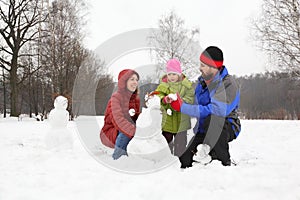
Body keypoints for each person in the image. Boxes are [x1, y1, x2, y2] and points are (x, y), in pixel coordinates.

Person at [170, 46, 241, 167]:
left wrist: (182, 107)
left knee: (213, 119)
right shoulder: (201, 83)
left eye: (203, 65)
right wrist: (175, 101)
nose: (200, 68)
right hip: (203, 129)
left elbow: (217, 110)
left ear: (213, 66)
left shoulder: (228, 83)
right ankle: (209, 153)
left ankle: (224, 161)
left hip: (225, 126)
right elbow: (194, 104)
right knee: (185, 160)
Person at [155, 58, 194, 157]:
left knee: (180, 144)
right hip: (167, 121)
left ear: (179, 74)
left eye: (174, 74)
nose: (171, 77)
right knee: (166, 143)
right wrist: (164, 99)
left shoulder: (186, 85)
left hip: (182, 122)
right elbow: (157, 96)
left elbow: (190, 98)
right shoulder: (163, 85)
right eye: (169, 74)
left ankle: (180, 161)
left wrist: (181, 101)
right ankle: (166, 159)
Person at [100, 69, 140, 160]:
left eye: (136, 80)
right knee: (126, 130)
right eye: (132, 79)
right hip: (110, 132)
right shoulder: (116, 98)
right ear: (124, 81)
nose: (135, 82)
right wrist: (135, 130)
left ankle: (139, 158)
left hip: (127, 129)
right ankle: (118, 158)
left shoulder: (135, 99)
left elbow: (135, 118)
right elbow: (118, 120)